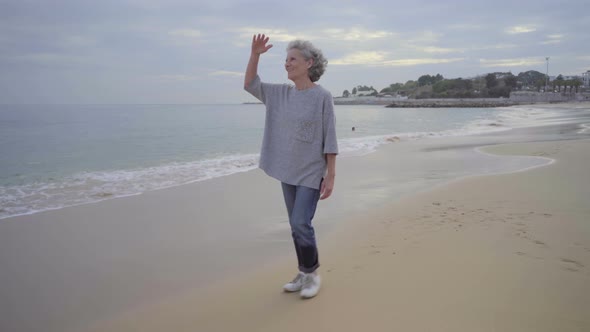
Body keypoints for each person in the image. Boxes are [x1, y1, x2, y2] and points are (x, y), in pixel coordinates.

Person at [244, 34, 338, 299]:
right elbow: (250, 84)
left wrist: (330, 175)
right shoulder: (280, 94)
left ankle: (313, 274)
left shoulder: (322, 97)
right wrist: (255, 55)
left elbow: (330, 137)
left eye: (292, 59)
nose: (287, 64)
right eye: (286, 60)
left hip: (310, 172)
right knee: (296, 225)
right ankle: (303, 271)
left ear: (309, 63)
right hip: (288, 170)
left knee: (300, 223)